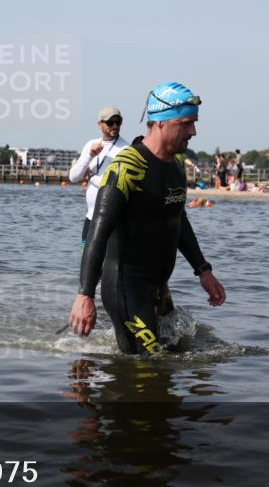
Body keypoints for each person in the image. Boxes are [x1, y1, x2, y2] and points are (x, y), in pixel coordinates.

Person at [69, 81, 226, 354]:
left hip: (158, 286)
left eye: (194, 123)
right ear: (161, 122)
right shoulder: (127, 167)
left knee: (175, 357)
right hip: (125, 287)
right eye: (186, 123)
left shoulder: (175, 167)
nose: (193, 131)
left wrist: (203, 269)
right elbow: (98, 230)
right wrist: (85, 295)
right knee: (149, 368)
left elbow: (178, 220)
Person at [68, 106, 131, 248]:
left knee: (107, 268)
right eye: (110, 123)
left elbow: (118, 185)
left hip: (114, 220)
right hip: (91, 217)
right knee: (86, 265)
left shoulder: (126, 150)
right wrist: (90, 156)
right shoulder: (91, 145)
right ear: (100, 124)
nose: (115, 126)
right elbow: (73, 177)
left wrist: (92, 177)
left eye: (118, 122)